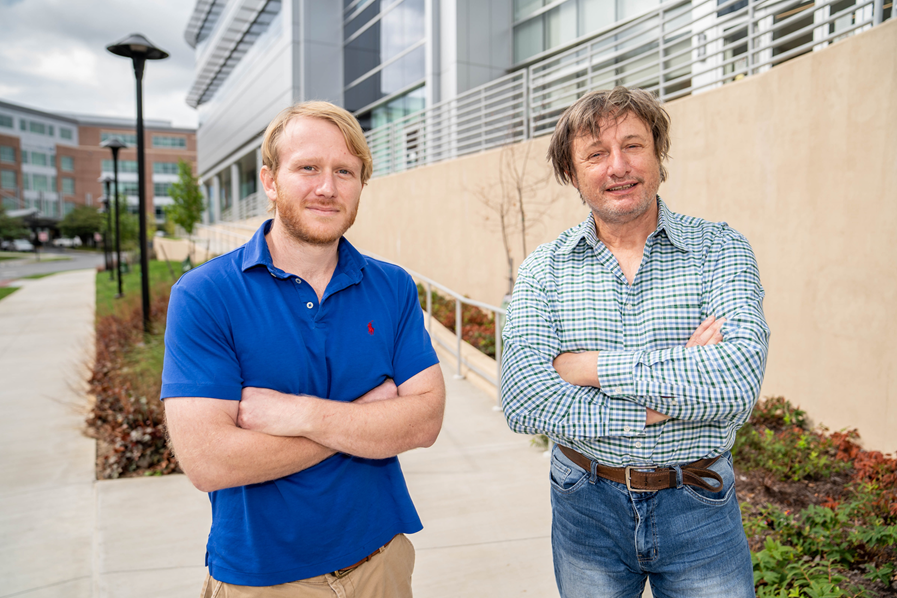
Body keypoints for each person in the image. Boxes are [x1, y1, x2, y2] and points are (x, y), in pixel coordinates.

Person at [161, 101, 445, 597]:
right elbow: (210, 462)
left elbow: (424, 422)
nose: (327, 187)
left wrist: (302, 415)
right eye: (307, 168)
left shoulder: (392, 285)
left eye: (345, 171)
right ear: (270, 181)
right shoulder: (205, 294)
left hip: (382, 562)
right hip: (263, 577)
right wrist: (365, 419)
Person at [500, 86, 770, 597]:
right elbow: (522, 400)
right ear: (572, 174)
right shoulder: (545, 269)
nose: (618, 166)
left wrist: (587, 367)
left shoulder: (720, 249)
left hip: (699, 504)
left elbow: (736, 382)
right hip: (585, 504)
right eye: (596, 154)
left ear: (659, 155)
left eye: (633, 146)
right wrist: (659, 406)